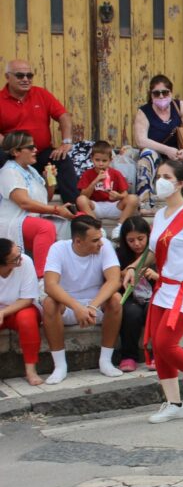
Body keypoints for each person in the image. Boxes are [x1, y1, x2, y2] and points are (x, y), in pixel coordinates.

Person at [122, 160, 183, 424]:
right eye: (158, 176)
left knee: (166, 343)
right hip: (164, 289)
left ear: (180, 183)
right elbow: (152, 253)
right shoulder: (162, 215)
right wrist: (133, 266)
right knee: (157, 346)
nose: (160, 181)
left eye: (166, 176)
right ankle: (174, 403)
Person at [41, 215, 124, 384]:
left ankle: (105, 361)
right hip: (68, 306)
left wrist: (92, 307)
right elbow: (50, 285)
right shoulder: (58, 248)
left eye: (100, 238)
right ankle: (60, 365)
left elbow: (114, 280)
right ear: (78, 241)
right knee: (49, 303)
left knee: (116, 299)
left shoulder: (105, 245)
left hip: (95, 305)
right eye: (95, 240)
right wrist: (77, 307)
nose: (100, 243)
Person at [0, 59, 79, 203]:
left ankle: (74, 209)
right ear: (7, 77)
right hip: (12, 153)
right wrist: (11, 148)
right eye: (20, 75)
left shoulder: (41, 94)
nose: (25, 79)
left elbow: (63, 116)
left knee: (62, 159)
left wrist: (66, 142)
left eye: (29, 75)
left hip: (41, 152)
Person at [0, 131, 76, 279]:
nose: (36, 150)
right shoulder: (9, 171)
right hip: (14, 221)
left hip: (33, 218)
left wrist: (50, 180)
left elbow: (44, 199)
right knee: (45, 227)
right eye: (31, 147)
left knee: (79, 219)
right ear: (16, 151)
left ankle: (70, 271)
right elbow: (24, 202)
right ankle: (42, 276)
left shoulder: (31, 170)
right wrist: (56, 210)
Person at [133, 75, 183, 213]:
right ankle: (145, 204)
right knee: (146, 156)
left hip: (182, 154)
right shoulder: (144, 111)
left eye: (165, 92)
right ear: (151, 94)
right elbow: (141, 140)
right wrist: (167, 150)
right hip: (159, 156)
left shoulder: (180, 106)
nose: (161, 96)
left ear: (171, 92)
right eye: (157, 93)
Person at [0, 238, 43, 385]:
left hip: (20, 307)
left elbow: (27, 299)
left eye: (18, 252)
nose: (20, 259)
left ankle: (31, 370)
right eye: (15, 259)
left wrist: (3, 313)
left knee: (27, 319)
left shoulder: (25, 261)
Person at [75, 140, 139, 239]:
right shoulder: (88, 174)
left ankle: (120, 227)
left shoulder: (116, 173)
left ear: (110, 160)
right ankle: (97, 227)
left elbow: (125, 194)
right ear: (92, 159)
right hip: (96, 207)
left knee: (133, 198)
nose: (100, 164)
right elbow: (83, 195)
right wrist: (95, 181)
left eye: (104, 161)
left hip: (114, 206)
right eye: (97, 160)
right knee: (80, 200)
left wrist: (118, 196)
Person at [115, 216, 154, 372]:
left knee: (154, 311)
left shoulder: (156, 253)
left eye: (140, 238)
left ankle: (157, 354)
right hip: (131, 297)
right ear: (124, 240)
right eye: (131, 240)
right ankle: (128, 356)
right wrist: (126, 273)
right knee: (131, 314)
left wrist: (156, 276)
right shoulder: (120, 255)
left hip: (155, 295)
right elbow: (113, 276)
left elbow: (171, 276)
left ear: (148, 236)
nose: (137, 244)